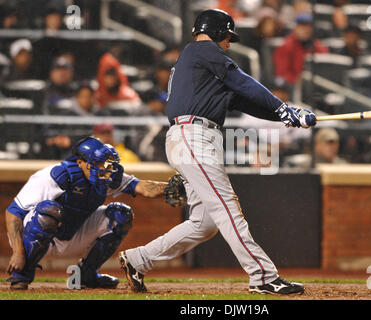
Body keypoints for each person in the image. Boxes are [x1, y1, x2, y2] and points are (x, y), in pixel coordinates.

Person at [119, 9, 316, 295]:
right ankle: (262, 276)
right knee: (227, 208)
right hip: (192, 136)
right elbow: (244, 81)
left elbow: (247, 101)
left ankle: (139, 259)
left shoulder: (204, 66)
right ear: (217, 31)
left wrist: (289, 117)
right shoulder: (202, 50)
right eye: (228, 37)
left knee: (205, 223)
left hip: (195, 137)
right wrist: (284, 108)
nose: (229, 43)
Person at [5, 136, 183, 290]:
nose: (105, 168)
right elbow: (13, 212)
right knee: (49, 211)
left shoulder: (108, 177)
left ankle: (87, 274)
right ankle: (21, 275)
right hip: (35, 233)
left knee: (121, 214)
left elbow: (142, 187)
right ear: (80, 162)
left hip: (72, 233)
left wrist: (174, 188)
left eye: (107, 164)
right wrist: (18, 251)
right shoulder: (56, 175)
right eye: (98, 163)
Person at [273, 12, 329, 85]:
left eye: (308, 26)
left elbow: (326, 72)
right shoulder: (285, 46)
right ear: (296, 27)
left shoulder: (319, 47)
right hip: (293, 87)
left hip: (316, 87)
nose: (306, 29)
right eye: (302, 26)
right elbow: (282, 73)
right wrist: (300, 82)